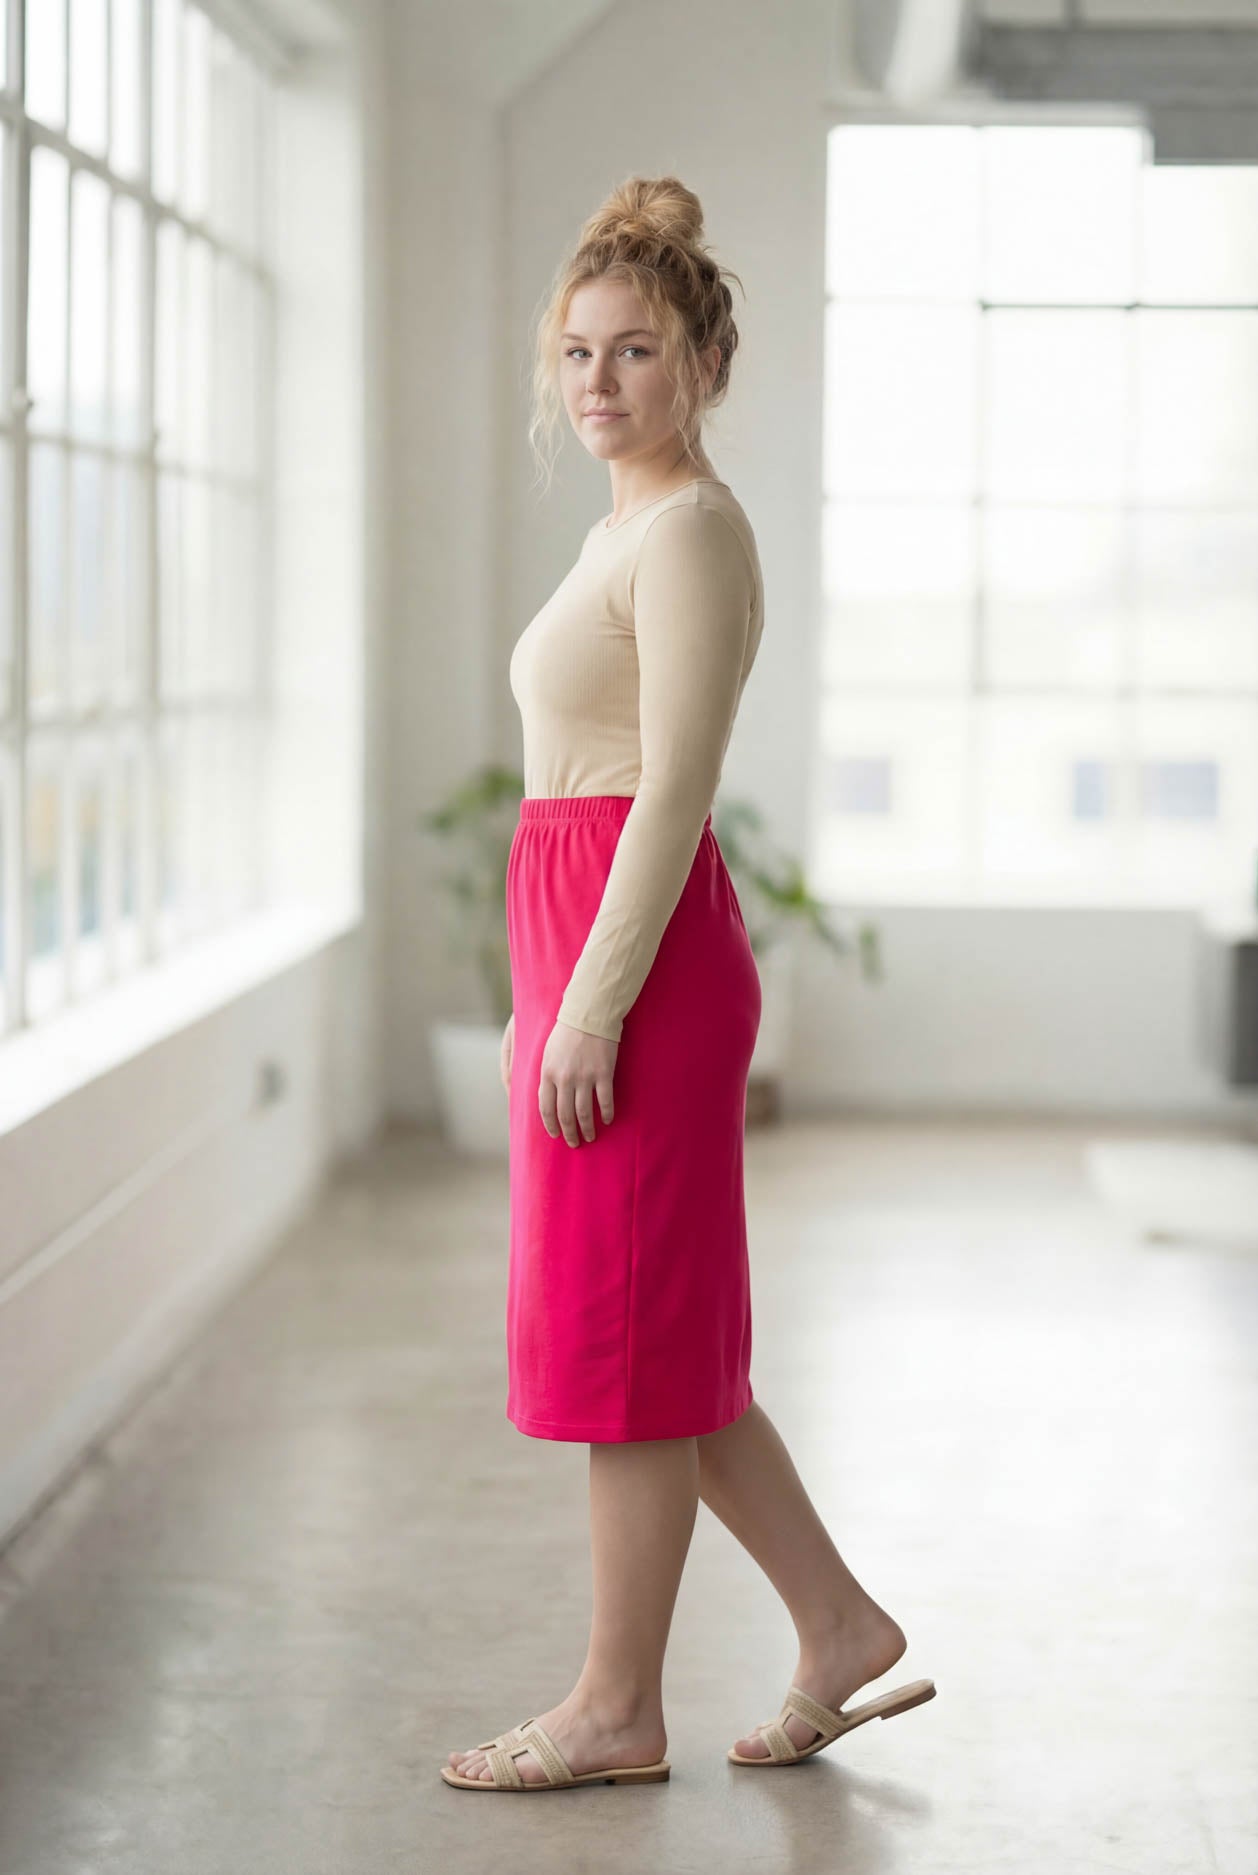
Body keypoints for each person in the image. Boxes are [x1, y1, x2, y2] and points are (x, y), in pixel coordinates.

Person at [441, 176, 934, 1795]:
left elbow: (669, 789)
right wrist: (546, 991)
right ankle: (837, 1624)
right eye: (575, 352)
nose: (596, 381)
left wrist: (589, 1002)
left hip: (634, 953)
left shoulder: (693, 532)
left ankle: (611, 1708)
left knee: (623, 1346)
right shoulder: (621, 527)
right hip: (586, 940)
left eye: (633, 350)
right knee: (659, 1341)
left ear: (701, 364)